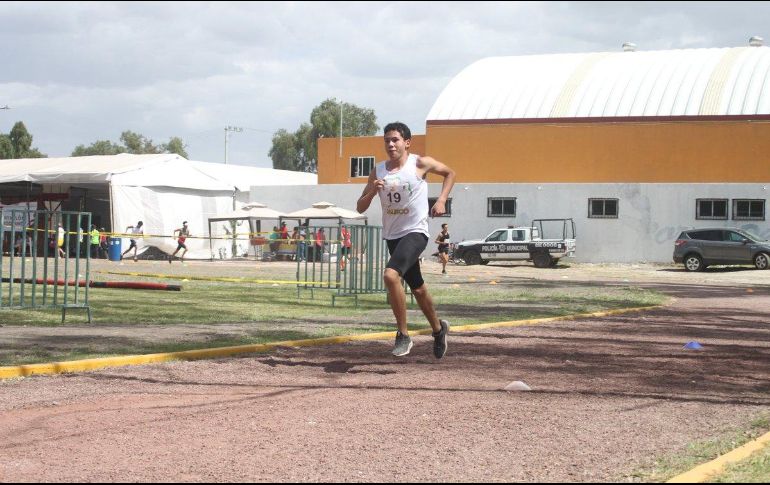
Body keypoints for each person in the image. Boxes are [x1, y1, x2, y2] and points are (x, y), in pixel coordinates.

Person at [356, 121, 456, 358]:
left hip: (416, 232)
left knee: (390, 275)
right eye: (387, 141)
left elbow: (450, 173)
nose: (390, 144)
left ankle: (403, 335)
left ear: (407, 143)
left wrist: (441, 200)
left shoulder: (420, 163)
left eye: (395, 140)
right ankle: (439, 330)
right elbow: (360, 206)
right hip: (393, 235)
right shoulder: (378, 171)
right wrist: (373, 190)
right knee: (418, 289)